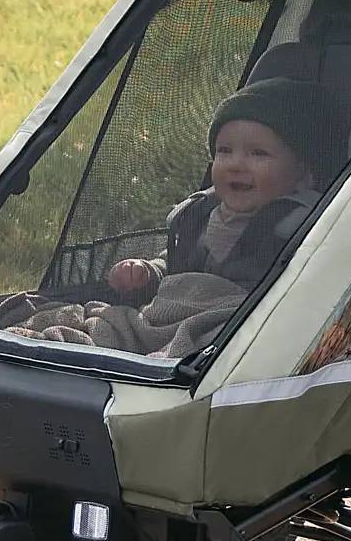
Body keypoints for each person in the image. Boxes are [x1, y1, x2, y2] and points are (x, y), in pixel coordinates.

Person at [20, 77, 334, 358]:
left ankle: (158, 369)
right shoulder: (202, 213)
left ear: (305, 174)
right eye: (224, 151)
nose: (236, 164)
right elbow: (177, 264)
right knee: (110, 324)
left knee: (208, 345)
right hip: (163, 313)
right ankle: (51, 349)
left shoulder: (305, 225)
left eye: (258, 154)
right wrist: (147, 273)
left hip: (228, 323)